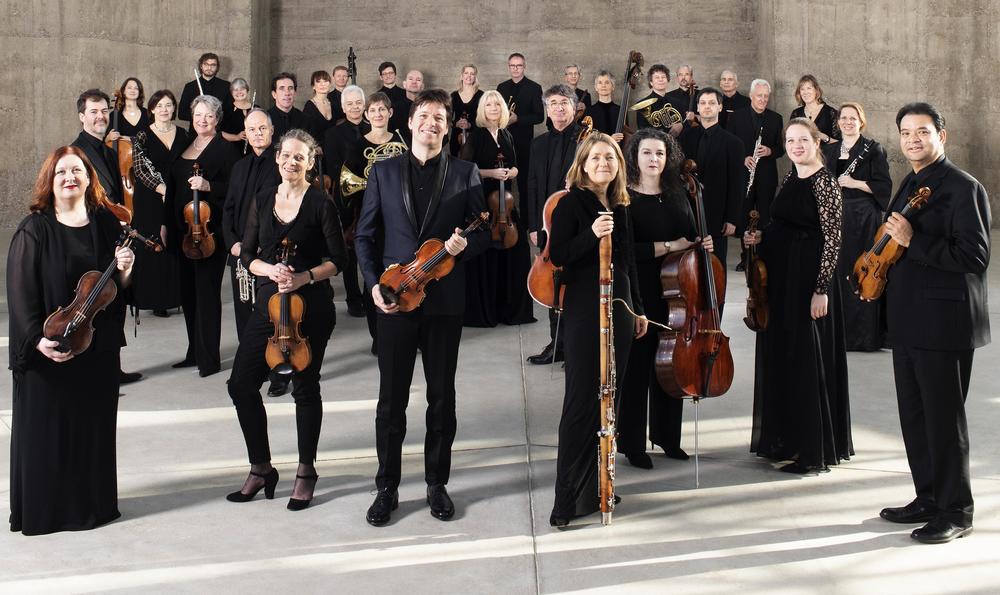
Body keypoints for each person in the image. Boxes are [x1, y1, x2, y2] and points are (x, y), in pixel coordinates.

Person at [354, 89, 490, 526]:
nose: (432, 123)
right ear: (409, 123)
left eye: (440, 118)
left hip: (444, 304)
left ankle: (436, 483)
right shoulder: (384, 171)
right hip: (393, 300)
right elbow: (364, 237)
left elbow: (486, 232)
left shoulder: (466, 172)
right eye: (425, 116)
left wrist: (463, 246)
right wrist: (374, 285)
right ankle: (387, 488)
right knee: (390, 402)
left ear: (447, 129)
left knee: (441, 398)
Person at [877, 102, 990, 544]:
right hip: (908, 321)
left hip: (945, 324)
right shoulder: (911, 181)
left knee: (944, 421)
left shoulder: (964, 188)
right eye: (906, 132)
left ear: (943, 134)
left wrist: (914, 239)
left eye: (922, 132)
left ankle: (957, 511)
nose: (912, 140)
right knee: (915, 417)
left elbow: (975, 257)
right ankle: (928, 498)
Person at [8, 146, 135, 535]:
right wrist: (35, 341)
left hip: (95, 348)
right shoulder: (36, 228)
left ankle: (91, 507)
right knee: (47, 433)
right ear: (51, 179)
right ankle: (46, 512)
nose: (70, 178)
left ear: (88, 178)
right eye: (62, 171)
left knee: (92, 429)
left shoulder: (106, 225)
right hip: (50, 347)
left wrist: (127, 272)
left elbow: (113, 292)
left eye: (77, 171)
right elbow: (20, 294)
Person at [225, 129, 348, 511]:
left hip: (310, 308)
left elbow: (338, 260)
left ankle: (306, 470)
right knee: (241, 385)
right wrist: (269, 269)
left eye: (300, 157)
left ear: (310, 163)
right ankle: (261, 467)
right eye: (286, 155)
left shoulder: (321, 204)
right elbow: (247, 254)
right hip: (269, 304)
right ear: (277, 158)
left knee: (305, 388)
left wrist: (304, 276)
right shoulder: (263, 199)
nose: (291, 162)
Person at [548, 132, 646, 527]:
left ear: (619, 165)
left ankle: (599, 486)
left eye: (610, 158)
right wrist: (591, 235)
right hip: (586, 309)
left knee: (611, 399)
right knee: (580, 400)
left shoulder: (622, 205)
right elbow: (559, 257)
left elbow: (629, 264)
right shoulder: (572, 203)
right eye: (596, 158)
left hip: (619, 306)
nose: (603, 164)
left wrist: (637, 308)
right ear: (584, 164)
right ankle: (566, 499)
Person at [744, 118, 851, 475]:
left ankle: (811, 450)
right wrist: (761, 239)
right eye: (790, 140)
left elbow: (834, 241)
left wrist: (820, 290)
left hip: (808, 283)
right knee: (784, 356)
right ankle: (786, 439)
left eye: (802, 140)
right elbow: (782, 224)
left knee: (806, 361)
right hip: (782, 281)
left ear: (816, 142)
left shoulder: (826, 183)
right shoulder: (792, 176)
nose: (796, 146)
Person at [618, 128, 711, 468]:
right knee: (637, 368)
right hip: (640, 291)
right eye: (646, 153)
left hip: (677, 292)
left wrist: (702, 244)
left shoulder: (677, 194)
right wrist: (672, 247)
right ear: (635, 157)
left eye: (659, 153)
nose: (653, 159)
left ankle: (668, 437)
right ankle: (632, 444)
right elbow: (626, 250)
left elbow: (692, 238)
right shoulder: (624, 198)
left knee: (671, 366)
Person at [70, 89, 142, 384]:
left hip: (114, 236)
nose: (100, 116)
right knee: (94, 304)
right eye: (94, 112)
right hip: (92, 239)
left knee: (115, 302)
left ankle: (113, 368)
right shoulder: (77, 152)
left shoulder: (109, 150)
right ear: (82, 116)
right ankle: (95, 370)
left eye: (104, 111)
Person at [165, 94, 237, 377]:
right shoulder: (185, 143)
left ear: (217, 119)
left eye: (208, 116)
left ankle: (209, 358)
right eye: (198, 115)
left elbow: (234, 188)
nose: (202, 120)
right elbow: (171, 186)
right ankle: (193, 352)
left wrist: (209, 185)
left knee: (206, 294)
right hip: (182, 230)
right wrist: (164, 224)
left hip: (210, 232)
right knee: (188, 294)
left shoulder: (226, 149)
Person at [459, 89, 535, 327]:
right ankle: (486, 311)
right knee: (487, 253)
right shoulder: (476, 136)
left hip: (506, 203)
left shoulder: (506, 135)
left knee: (517, 250)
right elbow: (465, 169)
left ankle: (511, 310)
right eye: (489, 104)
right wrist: (492, 173)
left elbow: (515, 166)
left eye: (497, 104)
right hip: (484, 202)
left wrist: (512, 171)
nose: (494, 108)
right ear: (483, 109)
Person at [820, 102, 892, 351]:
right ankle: (840, 335)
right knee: (838, 274)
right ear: (838, 122)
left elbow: (883, 187)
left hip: (863, 218)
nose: (848, 122)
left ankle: (864, 336)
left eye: (853, 118)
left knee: (861, 273)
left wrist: (853, 182)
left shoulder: (873, 149)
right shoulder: (828, 150)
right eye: (844, 118)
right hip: (837, 217)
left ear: (861, 122)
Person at [343, 92, 408, 349]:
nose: (378, 114)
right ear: (366, 115)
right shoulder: (357, 146)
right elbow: (347, 184)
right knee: (375, 275)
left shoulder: (403, 141)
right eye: (373, 110)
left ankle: (404, 329)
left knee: (403, 274)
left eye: (383, 109)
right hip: (371, 217)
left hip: (401, 217)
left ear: (390, 113)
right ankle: (378, 337)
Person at [524, 85, 583, 365]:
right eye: (554, 104)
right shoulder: (539, 143)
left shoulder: (586, 141)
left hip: (579, 224)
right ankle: (556, 344)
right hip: (548, 225)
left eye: (564, 103)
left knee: (577, 285)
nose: (559, 108)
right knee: (552, 283)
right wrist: (535, 225)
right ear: (547, 109)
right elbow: (532, 186)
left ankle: (575, 346)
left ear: (574, 107)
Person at [222, 108, 281, 341]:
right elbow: (228, 210)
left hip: (267, 252)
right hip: (240, 251)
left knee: (269, 310)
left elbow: (280, 210)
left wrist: (260, 245)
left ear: (272, 131)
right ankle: (248, 366)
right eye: (252, 129)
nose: (257, 134)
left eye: (262, 128)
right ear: (245, 133)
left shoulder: (281, 165)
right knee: (243, 308)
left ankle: (273, 361)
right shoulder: (239, 167)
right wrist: (233, 243)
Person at [677, 87, 743, 280]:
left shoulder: (733, 143)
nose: (707, 107)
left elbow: (737, 183)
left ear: (720, 107)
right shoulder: (685, 138)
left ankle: (716, 310)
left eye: (712, 103)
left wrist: (732, 218)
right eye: (703, 103)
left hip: (717, 213)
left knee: (716, 271)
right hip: (688, 212)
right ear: (697, 107)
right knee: (689, 272)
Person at [129, 90, 184, 317]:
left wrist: (172, 192)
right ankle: (152, 299)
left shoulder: (183, 133)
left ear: (174, 108)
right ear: (151, 109)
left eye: (169, 105)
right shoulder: (142, 135)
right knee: (151, 245)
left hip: (176, 195)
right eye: (159, 105)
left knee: (173, 243)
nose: (164, 109)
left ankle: (174, 296)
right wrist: (162, 189)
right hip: (150, 197)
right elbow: (139, 168)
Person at [322, 85, 371, 318]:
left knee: (373, 246)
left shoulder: (374, 128)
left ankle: (370, 293)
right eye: (349, 103)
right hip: (347, 198)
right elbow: (334, 166)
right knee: (350, 248)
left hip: (374, 197)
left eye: (358, 102)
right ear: (343, 107)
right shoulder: (333, 134)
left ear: (364, 104)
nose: (354, 107)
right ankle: (354, 297)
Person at [727, 79, 784, 242]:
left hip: (767, 177)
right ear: (751, 95)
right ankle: (745, 257)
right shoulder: (737, 117)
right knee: (744, 216)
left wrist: (769, 151)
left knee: (765, 217)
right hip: (744, 176)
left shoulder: (776, 118)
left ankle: (763, 255)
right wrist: (742, 158)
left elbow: (782, 148)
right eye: (759, 95)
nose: (763, 99)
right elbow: (729, 145)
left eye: (766, 96)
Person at [497, 52, 544, 202]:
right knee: (504, 181)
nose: (516, 69)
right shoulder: (501, 87)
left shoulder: (534, 88)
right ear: (508, 67)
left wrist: (518, 119)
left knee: (524, 182)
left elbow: (539, 117)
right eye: (512, 66)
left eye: (519, 66)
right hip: (503, 142)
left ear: (524, 67)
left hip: (525, 143)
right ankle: (507, 220)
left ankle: (526, 222)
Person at [179, 52, 231, 122]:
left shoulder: (226, 86)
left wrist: (213, 117)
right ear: (201, 66)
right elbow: (181, 114)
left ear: (217, 67)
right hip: (196, 131)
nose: (209, 68)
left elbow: (229, 113)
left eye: (213, 65)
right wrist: (201, 116)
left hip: (219, 131)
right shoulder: (190, 87)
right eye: (206, 64)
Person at [634, 64, 683, 136]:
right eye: (657, 77)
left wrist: (681, 125)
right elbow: (643, 133)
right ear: (651, 82)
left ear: (667, 80)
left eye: (663, 77)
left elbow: (684, 123)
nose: (661, 79)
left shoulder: (677, 102)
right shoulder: (642, 105)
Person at [790, 75, 839, 143]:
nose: (805, 92)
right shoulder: (796, 113)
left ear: (816, 90)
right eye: (802, 89)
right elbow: (790, 139)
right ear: (799, 93)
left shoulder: (831, 112)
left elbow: (840, 144)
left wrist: (824, 137)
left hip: (826, 153)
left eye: (809, 88)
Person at [450, 64, 483, 156]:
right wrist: (455, 123)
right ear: (462, 76)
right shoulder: (454, 96)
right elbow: (447, 117)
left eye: (472, 74)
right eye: (466, 73)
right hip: (456, 134)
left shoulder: (481, 95)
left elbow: (484, 118)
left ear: (475, 77)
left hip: (475, 134)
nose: (469, 76)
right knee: (455, 160)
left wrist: (470, 124)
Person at [220, 78, 258, 157]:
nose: (239, 92)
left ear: (247, 90)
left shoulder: (256, 108)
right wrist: (237, 137)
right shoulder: (226, 109)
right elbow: (219, 133)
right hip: (232, 152)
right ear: (231, 93)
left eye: (242, 89)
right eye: (235, 90)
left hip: (254, 151)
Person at [584, 70, 622, 141]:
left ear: (613, 87)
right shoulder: (588, 111)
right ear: (596, 88)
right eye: (600, 83)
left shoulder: (621, 110)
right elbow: (588, 139)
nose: (603, 85)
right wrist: (610, 139)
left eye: (607, 82)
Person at [267, 72, 305, 139]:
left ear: (295, 93)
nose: (287, 93)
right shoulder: (265, 119)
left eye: (290, 88)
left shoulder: (306, 120)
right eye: (282, 88)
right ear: (274, 94)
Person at [303, 70, 336, 142]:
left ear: (329, 84)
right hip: (316, 148)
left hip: (333, 145)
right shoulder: (309, 106)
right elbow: (305, 132)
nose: (322, 84)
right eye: (318, 82)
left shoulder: (333, 104)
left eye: (325, 81)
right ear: (313, 86)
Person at [378, 61, 409, 133]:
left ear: (395, 75)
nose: (388, 76)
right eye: (385, 74)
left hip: (404, 132)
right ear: (381, 77)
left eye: (390, 73)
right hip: (384, 133)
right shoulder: (377, 96)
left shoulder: (406, 94)